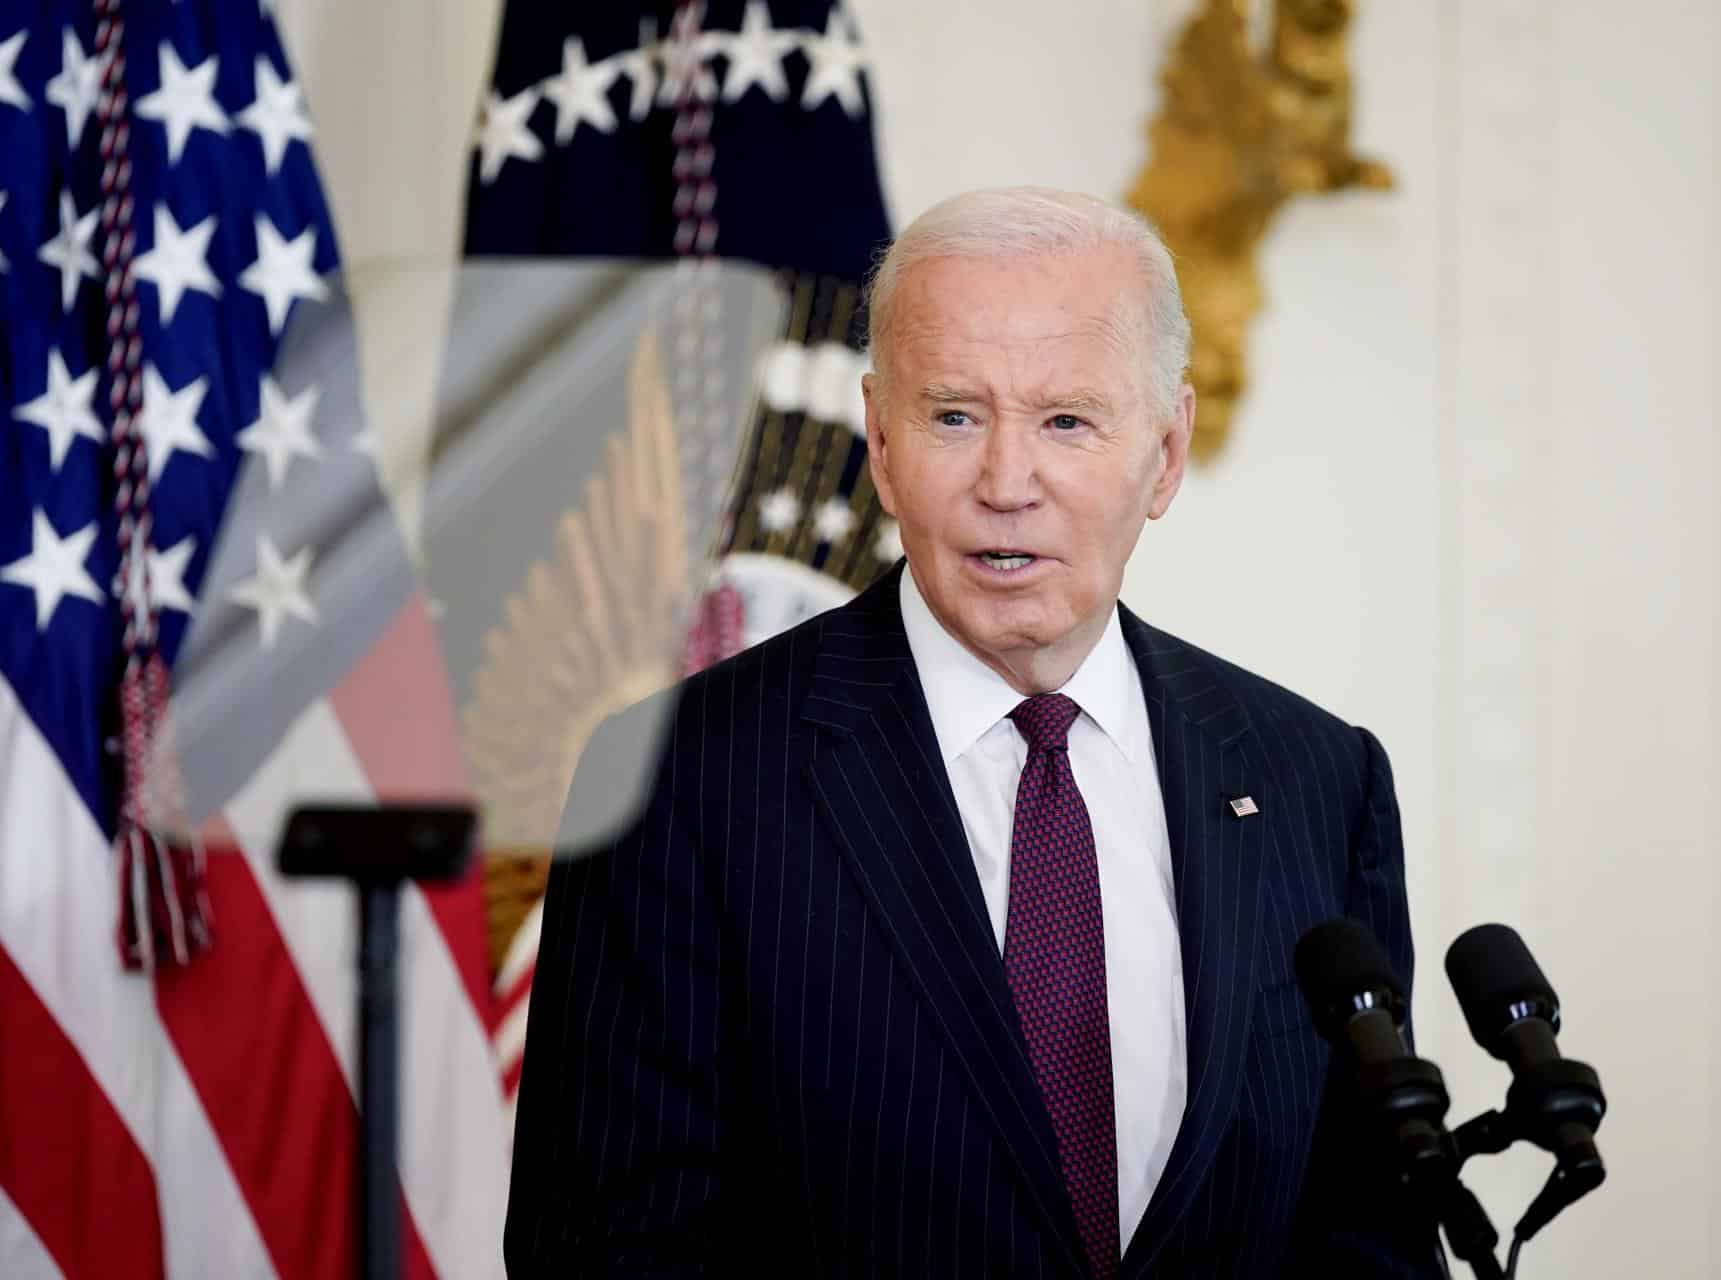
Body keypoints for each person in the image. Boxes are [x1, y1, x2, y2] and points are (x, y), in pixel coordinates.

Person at [505, 187, 1444, 1277]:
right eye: (955, 415)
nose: (1008, 483)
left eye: (1066, 420)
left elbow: (1370, 1232)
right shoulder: (682, 779)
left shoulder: (1315, 780)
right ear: (883, 442)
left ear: (1167, 450)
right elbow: (609, 1250)